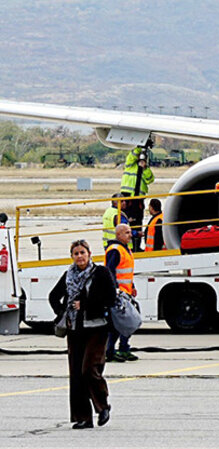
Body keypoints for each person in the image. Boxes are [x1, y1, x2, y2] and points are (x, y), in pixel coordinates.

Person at [49, 239, 117, 429]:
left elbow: (110, 298)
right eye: (76, 253)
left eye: (82, 253)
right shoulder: (68, 275)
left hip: (97, 327)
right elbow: (53, 296)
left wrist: (86, 305)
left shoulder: (101, 273)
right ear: (72, 256)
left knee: (89, 368)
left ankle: (103, 406)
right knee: (76, 374)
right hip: (75, 329)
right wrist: (63, 314)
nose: (79, 256)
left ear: (89, 254)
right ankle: (83, 418)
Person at [104, 224, 137, 362]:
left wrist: (132, 286)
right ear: (118, 235)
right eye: (127, 233)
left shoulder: (125, 249)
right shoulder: (115, 250)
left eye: (130, 232)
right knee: (121, 324)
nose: (130, 235)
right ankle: (115, 350)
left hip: (126, 292)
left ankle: (120, 348)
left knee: (124, 323)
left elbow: (125, 271)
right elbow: (109, 271)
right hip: (119, 294)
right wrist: (115, 289)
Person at [120, 143, 155, 240]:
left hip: (138, 200)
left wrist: (145, 168)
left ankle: (137, 243)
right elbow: (131, 156)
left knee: (138, 221)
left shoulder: (145, 169)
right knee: (127, 220)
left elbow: (150, 179)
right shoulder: (130, 165)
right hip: (127, 197)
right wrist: (140, 148)